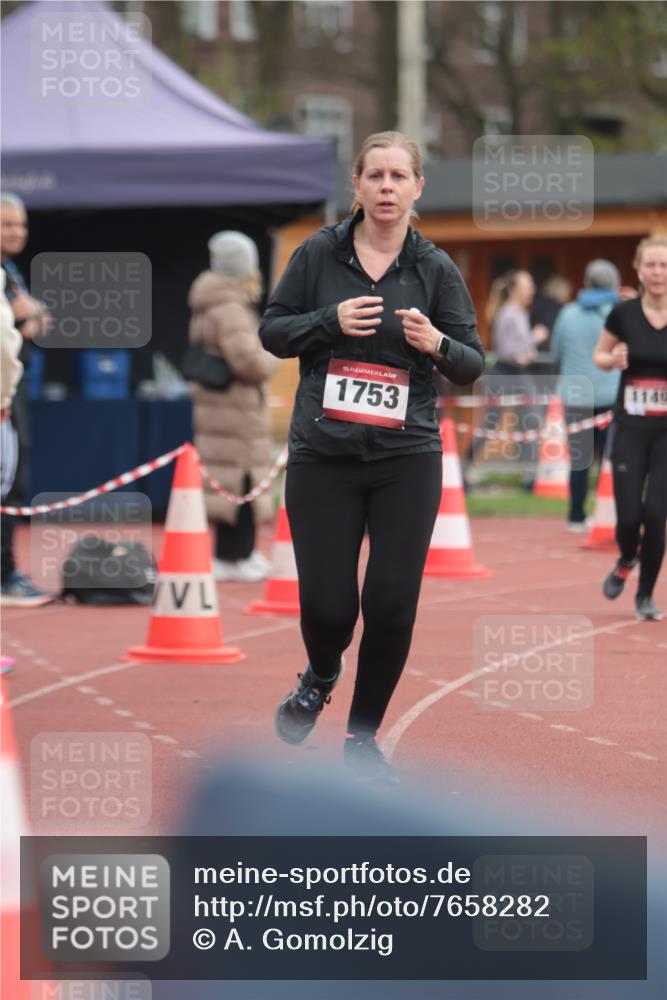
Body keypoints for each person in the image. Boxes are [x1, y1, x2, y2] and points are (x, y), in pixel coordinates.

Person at [259, 131, 484, 781]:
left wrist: (436, 342)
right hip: (323, 453)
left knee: (390, 601)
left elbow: (471, 365)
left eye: (398, 177)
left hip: (405, 457)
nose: (386, 188)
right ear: (355, 185)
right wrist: (328, 322)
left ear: (418, 188)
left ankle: (361, 737)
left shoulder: (434, 269)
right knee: (330, 609)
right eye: (374, 176)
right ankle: (320, 673)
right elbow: (273, 331)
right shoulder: (318, 254)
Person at [188, 230, 280, 582]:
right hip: (234, 409)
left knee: (235, 478)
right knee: (239, 480)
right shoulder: (229, 306)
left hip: (224, 408)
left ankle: (241, 551)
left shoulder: (212, 300)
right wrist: (274, 353)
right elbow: (249, 362)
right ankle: (233, 556)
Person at [593, 235, 667, 621]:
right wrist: (613, 357)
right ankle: (626, 557)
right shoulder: (624, 313)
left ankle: (645, 595)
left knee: (656, 513)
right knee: (628, 516)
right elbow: (599, 355)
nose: (658, 272)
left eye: (664, 265)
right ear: (639, 269)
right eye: (651, 265)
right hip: (631, 425)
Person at [0, 192, 53, 607]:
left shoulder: (11, 268)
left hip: (12, 389)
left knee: (14, 482)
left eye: (21, 224)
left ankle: (6, 570)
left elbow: (32, 319)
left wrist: (29, 317)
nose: (17, 232)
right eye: (7, 224)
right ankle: (4, 575)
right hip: (3, 394)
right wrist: (22, 318)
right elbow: (18, 324)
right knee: (7, 484)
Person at [551, 259, 621, 531]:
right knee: (611, 459)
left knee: (580, 460)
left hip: (575, 393)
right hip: (610, 394)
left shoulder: (567, 313)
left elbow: (556, 354)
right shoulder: (619, 312)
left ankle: (576, 516)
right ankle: (611, 515)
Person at [468, 270, 547, 483]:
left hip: (517, 374)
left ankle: (529, 475)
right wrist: (534, 339)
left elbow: (519, 351)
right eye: (527, 286)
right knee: (492, 424)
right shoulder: (508, 313)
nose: (532, 290)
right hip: (505, 373)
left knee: (530, 420)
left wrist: (527, 351)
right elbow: (508, 351)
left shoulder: (519, 312)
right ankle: (465, 466)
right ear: (514, 291)